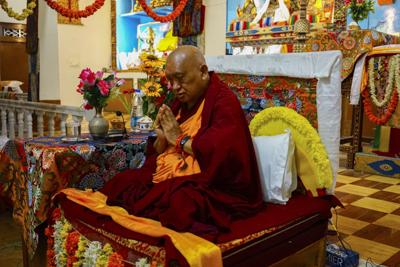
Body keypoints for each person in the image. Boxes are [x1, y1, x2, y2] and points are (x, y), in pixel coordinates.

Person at [62, 45, 263, 241]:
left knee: (181, 203)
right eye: (171, 80)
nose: (175, 87)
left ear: (202, 72)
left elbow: (222, 154)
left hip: (211, 182)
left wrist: (179, 138)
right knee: (123, 182)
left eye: (180, 78)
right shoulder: (179, 102)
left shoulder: (223, 101)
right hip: (170, 171)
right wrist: (161, 138)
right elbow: (159, 151)